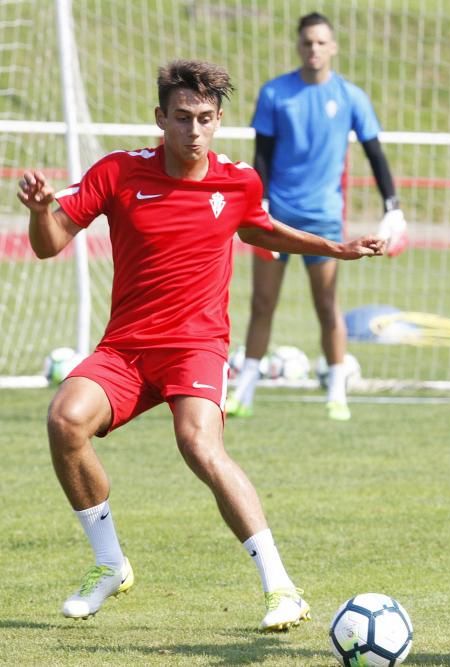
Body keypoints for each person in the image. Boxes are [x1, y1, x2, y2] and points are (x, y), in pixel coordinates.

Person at [16, 60, 384, 631]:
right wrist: (42, 212)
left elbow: (260, 226)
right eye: (182, 118)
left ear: (218, 121)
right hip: (126, 349)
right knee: (65, 420)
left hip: (196, 346)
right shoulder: (118, 172)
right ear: (160, 117)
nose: (194, 131)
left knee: (199, 444)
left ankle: (281, 588)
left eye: (206, 119)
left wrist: (332, 248)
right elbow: (49, 244)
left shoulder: (237, 181)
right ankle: (109, 562)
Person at [226, 11, 407, 422]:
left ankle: (337, 391)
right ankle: (245, 392)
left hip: (324, 218)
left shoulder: (351, 97)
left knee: (327, 306)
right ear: (298, 45)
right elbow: (262, 156)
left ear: (333, 47)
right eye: (307, 42)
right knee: (262, 303)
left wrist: (392, 205)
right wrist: (261, 202)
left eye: (321, 42)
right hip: (275, 219)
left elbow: (375, 154)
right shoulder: (275, 93)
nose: (314, 49)